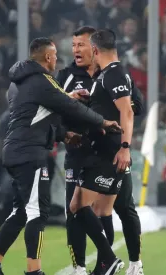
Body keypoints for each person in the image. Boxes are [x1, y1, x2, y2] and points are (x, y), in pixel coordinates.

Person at [0, 37, 121, 275]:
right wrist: (102, 121)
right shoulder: (42, 81)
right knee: (37, 213)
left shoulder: (18, 83)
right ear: (48, 57)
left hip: (17, 150)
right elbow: (69, 107)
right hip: (30, 154)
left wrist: (63, 135)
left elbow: (41, 115)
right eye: (55, 56)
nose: (57, 60)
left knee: (20, 211)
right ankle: (34, 271)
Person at [56, 26, 143, 275]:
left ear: (94, 49)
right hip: (101, 152)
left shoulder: (112, 75)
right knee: (101, 210)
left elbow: (128, 110)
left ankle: (109, 259)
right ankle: (102, 264)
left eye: (81, 45)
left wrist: (125, 147)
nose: (76, 51)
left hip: (108, 153)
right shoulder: (105, 75)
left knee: (77, 206)